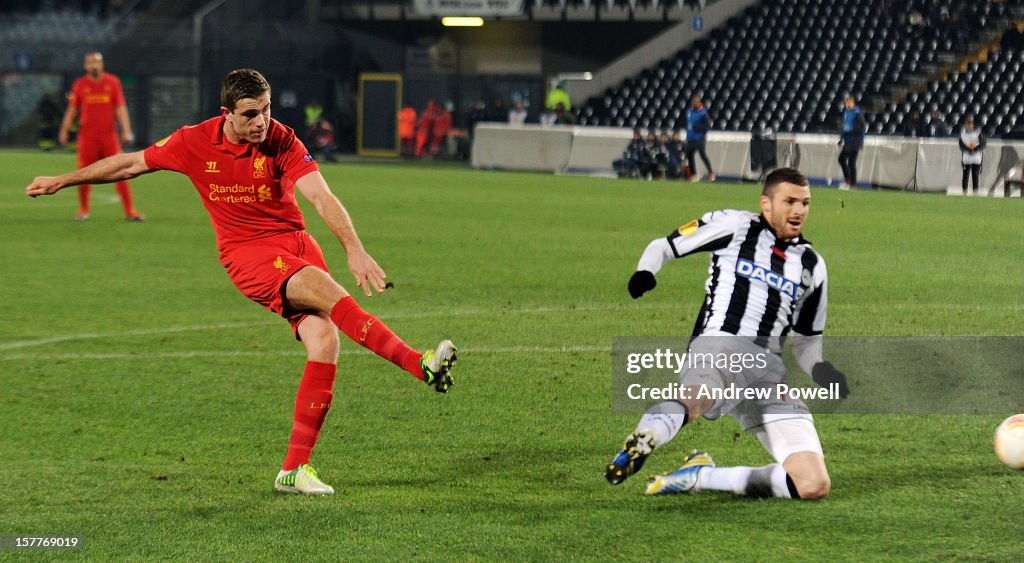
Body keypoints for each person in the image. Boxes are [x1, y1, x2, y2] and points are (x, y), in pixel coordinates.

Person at [26, 68, 458, 496]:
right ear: (226, 114)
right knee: (331, 296)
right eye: (250, 114)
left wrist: (354, 247)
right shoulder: (193, 142)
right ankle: (420, 365)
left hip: (297, 244)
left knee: (325, 341)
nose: (261, 122)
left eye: (266, 110)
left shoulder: (282, 139)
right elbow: (130, 163)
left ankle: (293, 470)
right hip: (247, 253)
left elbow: (321, 195)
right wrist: (63, 180)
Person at [606, 167, 849, 501]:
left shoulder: (812, 265)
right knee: (697, 397)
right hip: (720, 346)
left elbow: (807, 340)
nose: (799, 210)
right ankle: (648, 435)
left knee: (812, 483)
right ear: (766, 204)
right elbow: (664, 246)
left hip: (768, 373)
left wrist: (821, 369)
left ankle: (700, 476)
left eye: (805, 202)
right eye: (790, 201)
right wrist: (645, 271)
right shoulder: (734, 226)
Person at [59, 52, 143, 222]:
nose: (94, 65)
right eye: (90, 62)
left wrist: (126, 130)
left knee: (121, 171)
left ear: (102, 64)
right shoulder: (80, 85)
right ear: (86, 66)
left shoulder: (112, 82)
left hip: (109, 137)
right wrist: (64, 130)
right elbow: (72, 110)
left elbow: (120, 108)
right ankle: (83, 210)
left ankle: (130, 211)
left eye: (96, 62)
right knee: (84, 173)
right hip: (87, 138)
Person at [837, 96, 866, 190]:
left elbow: (861, 126)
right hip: (848, 141)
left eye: (848, 102)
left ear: (852, 103)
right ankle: (849, 181)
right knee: (842, 160)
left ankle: (852, 183)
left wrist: (851, 130)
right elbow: (845, 126)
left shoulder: (858, 113)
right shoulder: (846, 112)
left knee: (851, 162)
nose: (846, 104)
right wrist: (841, 138)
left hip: (855, 141)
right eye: (845, 103)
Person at [684, 96, 715, 181]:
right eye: (693, 102)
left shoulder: (703, 113)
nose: (693, 104)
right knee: (689, 156)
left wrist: (696, 127)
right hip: (690, 139)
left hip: (699, 139)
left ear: (699, 103)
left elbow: (707, 127)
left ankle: (711, 173)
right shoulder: (689, 111)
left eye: (695, 102)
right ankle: (693, 175)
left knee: (703, 155)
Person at [959, 116, 985, 194]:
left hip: (976, 157)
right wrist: (969, 150)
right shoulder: (963, 135)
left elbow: (982, 144)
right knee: (965, 175)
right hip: (967, 158)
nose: (969, 126)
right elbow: (961, 146)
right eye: (967, 124)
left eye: (970, 124)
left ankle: (975, 192)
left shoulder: (978, 134)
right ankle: (964, 191)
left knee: (975, 175)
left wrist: (974, 149)